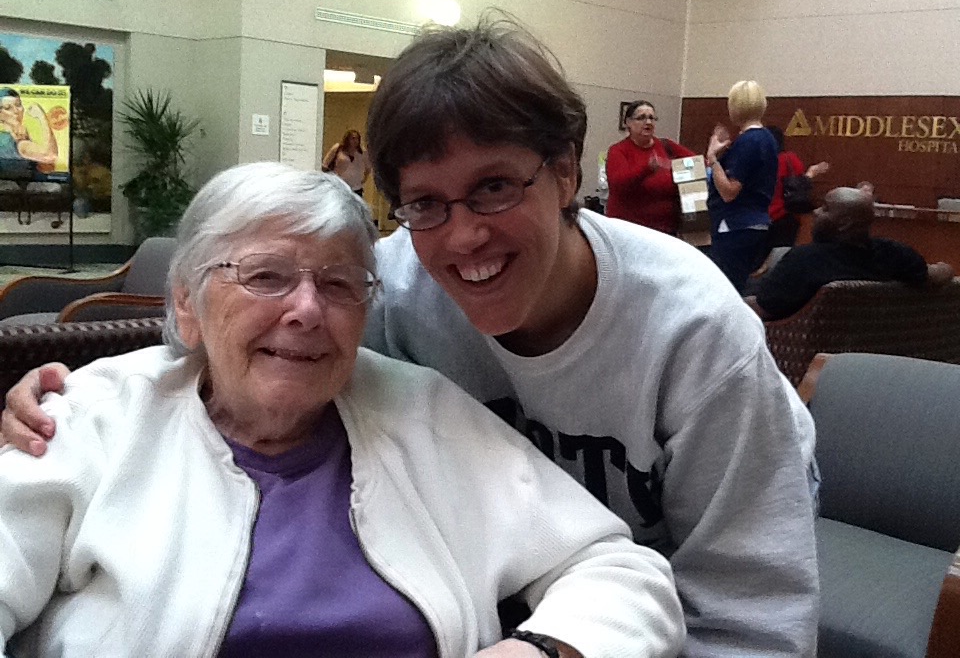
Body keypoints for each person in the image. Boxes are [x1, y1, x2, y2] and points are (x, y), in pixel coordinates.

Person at [3, 15, 818, 657]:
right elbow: (250, 346)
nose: (463, 239)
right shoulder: (388, 291)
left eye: (495, 187)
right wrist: (81, 398)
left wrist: (545, 646)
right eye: (426, 203)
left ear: (568, 172)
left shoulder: (696, 335)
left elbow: (751, 615)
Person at [0, 162, 684, 657]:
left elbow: (621, 571)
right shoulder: (94, 416)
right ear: (187, 301)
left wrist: (540, 650)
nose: (306, 310)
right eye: (266, 276)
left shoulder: (421, 413)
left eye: (338, 283)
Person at [749, 185, 955, 320]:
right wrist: (946, 268)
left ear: (844, 222)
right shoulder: (894, 255)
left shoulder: (804, 261)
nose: (816, 212)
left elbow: (760, 310)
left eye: (825, 208)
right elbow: (937, 276)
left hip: (788, 346)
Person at [706, 80, 779, 294]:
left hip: (735, 225)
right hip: (757, 222)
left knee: (727, 290)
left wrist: (713, 158)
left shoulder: (748, 141)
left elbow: (729, 191)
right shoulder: (768, 138)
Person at [605, 101, 697, 235]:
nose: (648, 122)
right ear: (628, 123)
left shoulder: (667, 146)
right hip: (628, 231)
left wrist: (711, 157)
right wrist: (647, 168)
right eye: (641, 117)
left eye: (651, 118)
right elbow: (618, 185)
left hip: (666, 231)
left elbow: (698, 165)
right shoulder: (618, 151)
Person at [765, 125, 830, 252]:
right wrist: (811, 174)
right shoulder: (789, 159)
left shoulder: (758, 161)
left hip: (759, 217)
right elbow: (799, 184)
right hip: (785, 215)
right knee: (780, 256)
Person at [0, 87, 58, 169]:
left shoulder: (23, 133)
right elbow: (50, 155)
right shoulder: (7, 140)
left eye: (18, 105)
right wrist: (41, 117)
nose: (16, 111)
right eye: (7, 108)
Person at [322, 128, 370, 195]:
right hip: (339, 186)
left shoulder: (362, 152)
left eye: (357, 138)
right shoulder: (338, 148)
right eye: (353, 138)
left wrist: (364, 179)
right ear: (347, 139)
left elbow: (368, 168)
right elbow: (325, 165)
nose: (355, 141)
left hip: (356, 188)